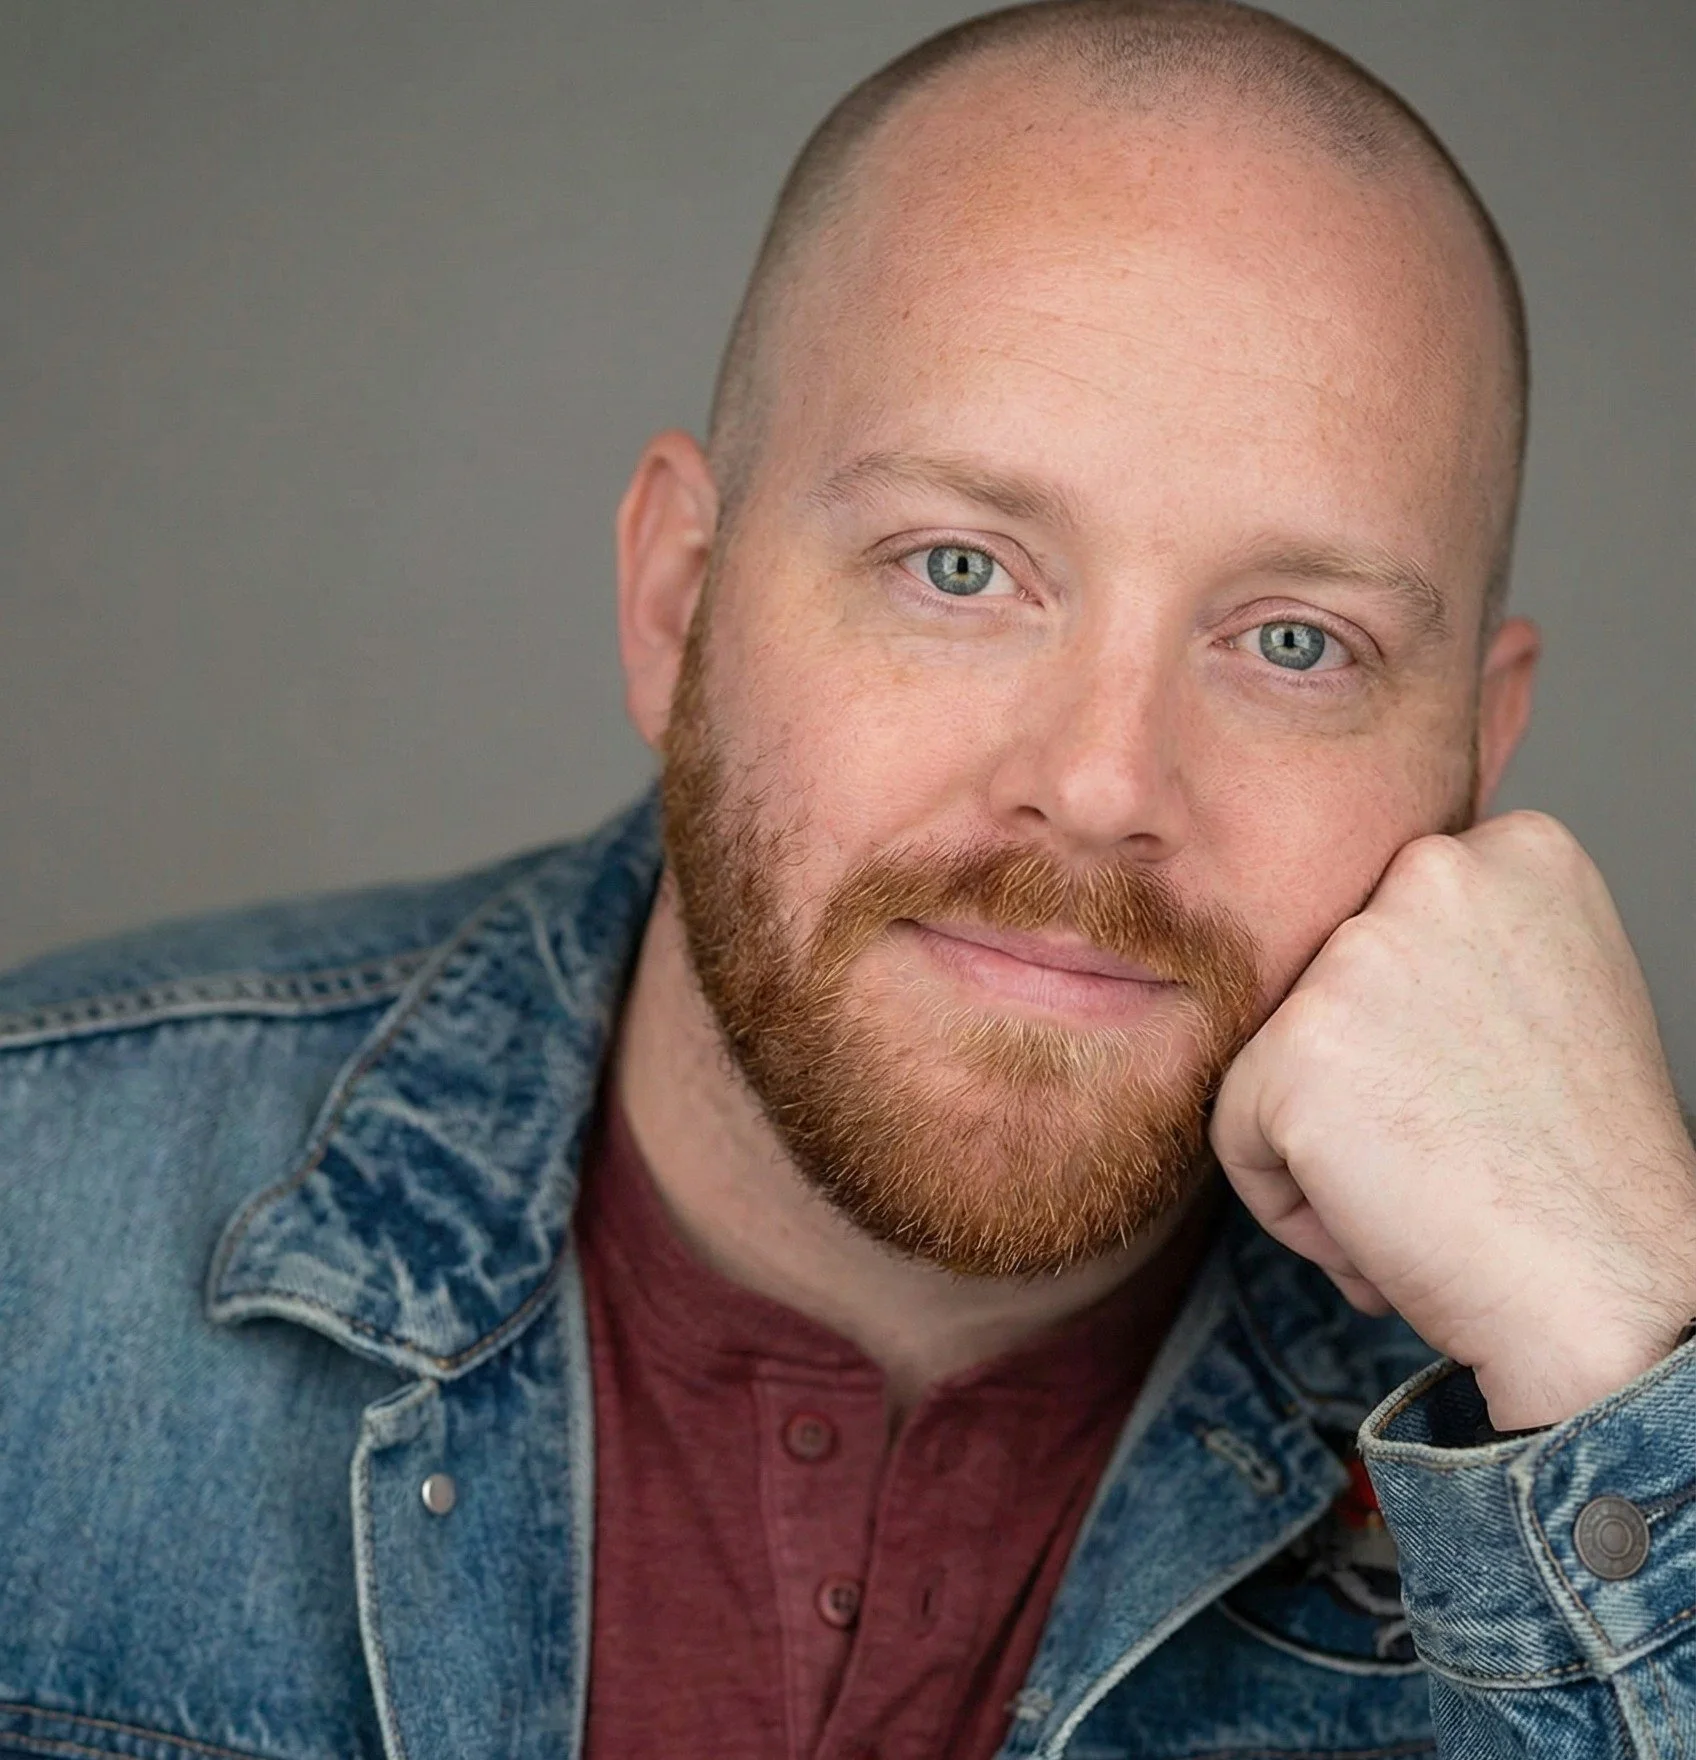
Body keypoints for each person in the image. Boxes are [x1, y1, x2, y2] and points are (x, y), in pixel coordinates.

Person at [1, 1, 1691, 1755]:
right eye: (958, 566)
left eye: (1293, 641)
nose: (1101, 785)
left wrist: (1630, 1375)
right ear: (679, 601)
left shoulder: (1617, 1341)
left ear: (1475, 751)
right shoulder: (27, 1224)